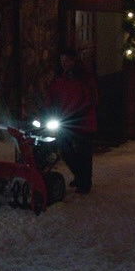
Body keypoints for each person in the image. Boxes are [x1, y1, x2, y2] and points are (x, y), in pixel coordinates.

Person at [45, 49, 99, 194]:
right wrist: (49, 110)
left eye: (67, 60)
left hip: (82, 121)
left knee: (83, 153)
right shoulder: (60, 78)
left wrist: (78, 113)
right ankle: (80, 176)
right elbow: (51, 95)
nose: (64, 63)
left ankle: (84, 182)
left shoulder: (84, 79)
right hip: (66, 120)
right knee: (65, 150)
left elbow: (90, 99)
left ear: (74, 61)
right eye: (62, 61)